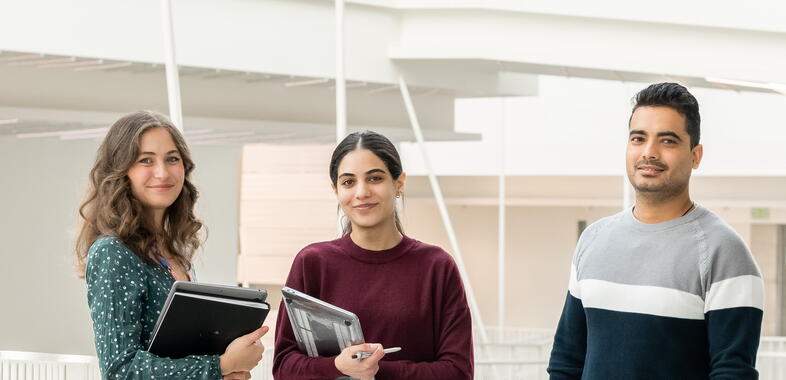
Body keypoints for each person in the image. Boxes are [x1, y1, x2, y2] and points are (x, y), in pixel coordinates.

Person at [547, 83, 764, 379]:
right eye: (639, 138)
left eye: (668, 141)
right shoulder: (593, 239)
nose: (649, 152)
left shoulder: (724, 251)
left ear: (695, 155)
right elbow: (566, 361)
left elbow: (732, 373)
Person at [76, 111, 268, 380]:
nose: (162, 172)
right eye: (145, 160)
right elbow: (121, 370)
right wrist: (219, 365)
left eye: (172, 159)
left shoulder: (171, 251)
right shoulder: (113, 252)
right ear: (121, 171)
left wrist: (224, 372)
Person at [272, 130, 474, 380]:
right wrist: (337, 366)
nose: (361, 192)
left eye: (375, 178)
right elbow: (283, 367)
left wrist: (374, 370)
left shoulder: (437, 267)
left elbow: (458, 372)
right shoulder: (312, 263)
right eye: (348, 182)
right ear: (335, 190)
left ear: (398, 183)